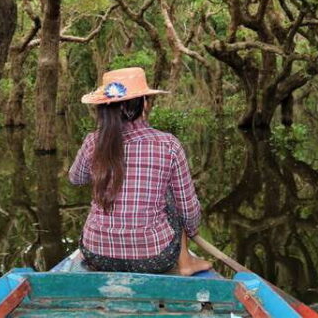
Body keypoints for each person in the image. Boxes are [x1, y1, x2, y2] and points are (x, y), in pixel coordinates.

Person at [69, 67, 212, 275]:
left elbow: (75, 178)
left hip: (97, 255)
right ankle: (186, 262)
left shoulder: (93, 141)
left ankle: (104, 240)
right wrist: (192, 230)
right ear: (144, 103)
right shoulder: (168, 144)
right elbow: (188, 209)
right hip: (153, 259)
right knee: (174, 196)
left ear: (103, 107)